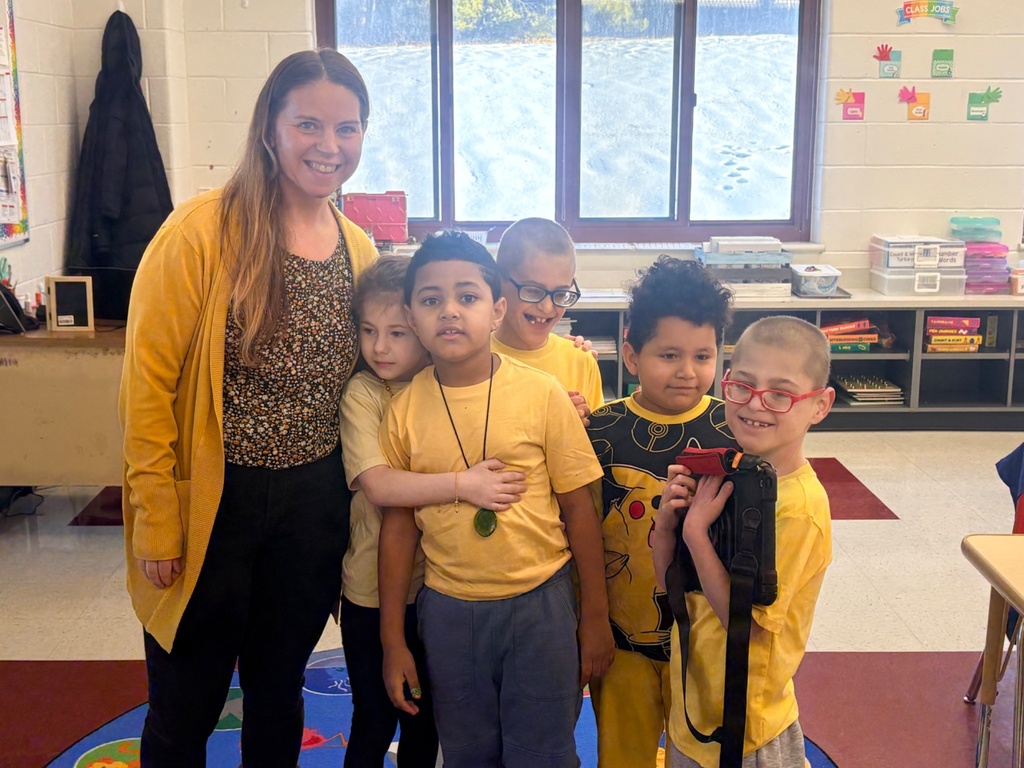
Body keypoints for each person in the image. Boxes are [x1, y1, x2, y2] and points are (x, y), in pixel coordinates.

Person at [119, 50, 378, 768]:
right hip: (214, 502)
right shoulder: (202, 232)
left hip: (313, 507)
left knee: (278, 690)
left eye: (348, 128)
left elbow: (387, 373)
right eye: (308, 124)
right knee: (187, 701)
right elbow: (146, 388)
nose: (330, 146)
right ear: (269, 126)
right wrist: (156, 519)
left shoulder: (358, 248)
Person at [377, 231, 615, 768]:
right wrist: (394, 640)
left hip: (541, 606)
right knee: (468, 754)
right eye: (431, 300)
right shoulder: (404, 410)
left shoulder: (542, 393)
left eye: (468, 296)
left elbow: (580, 509)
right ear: (412, 318)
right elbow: (398, 529)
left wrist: (593, 615)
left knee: (544, 754)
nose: (451, 312)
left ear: (496, 309)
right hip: (448, 611)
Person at [338, 254, 526, 767]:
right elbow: (378, 485)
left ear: (423, 329)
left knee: (425, 722)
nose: (380, 347)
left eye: (397, 333)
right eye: (369, 330)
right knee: (374, 716)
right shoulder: (364, 393)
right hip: (372, 594)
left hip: (441, 588)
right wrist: (466, 485)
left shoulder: (444, 386)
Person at [653, 316, 835, 768]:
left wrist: (696, 535)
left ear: (820, 405)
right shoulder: (731, 475)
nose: (756, 405)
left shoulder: (799, 510)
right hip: (692, 710)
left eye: (780, 394)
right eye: (743, 386)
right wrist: (668, 527)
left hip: (746, 728)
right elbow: (670, 586)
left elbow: (749, 627)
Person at [585, 256, 736, 768]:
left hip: (702, 647)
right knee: (622, 757)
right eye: (669, 354)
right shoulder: (600, 431)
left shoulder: (733, 433)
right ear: (631, 355)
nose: (688, 372)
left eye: (703, 355)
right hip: (621, 642)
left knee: (698, 756)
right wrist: (590, 623)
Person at [493, 217, 604, 422]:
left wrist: (574, 428)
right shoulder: (471, 358)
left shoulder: (581, 361)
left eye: (561, 293)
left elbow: (596, 447)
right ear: (498, 280)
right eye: (532, 290)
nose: (546, 307)